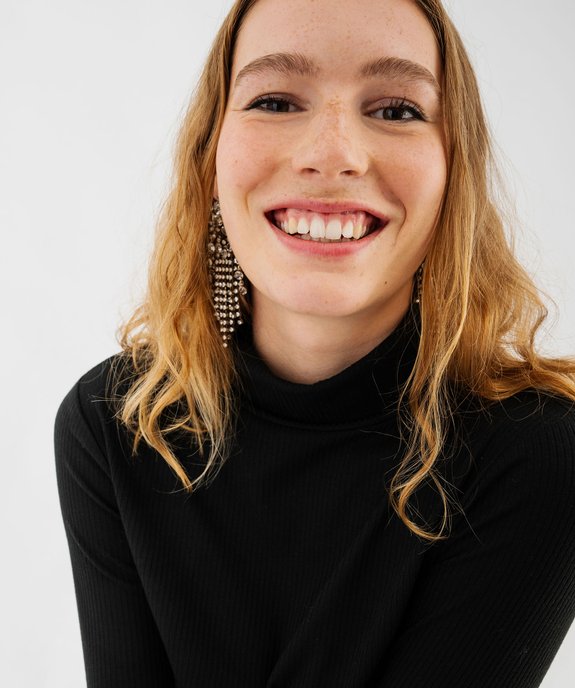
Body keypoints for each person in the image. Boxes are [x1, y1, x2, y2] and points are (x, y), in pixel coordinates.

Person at [54, 0, 575, 686]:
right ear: (211, 158)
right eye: (274, 101)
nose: (332, 155)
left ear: (455, 174)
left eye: (396, 110)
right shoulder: (119, 421)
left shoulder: (540, 448)